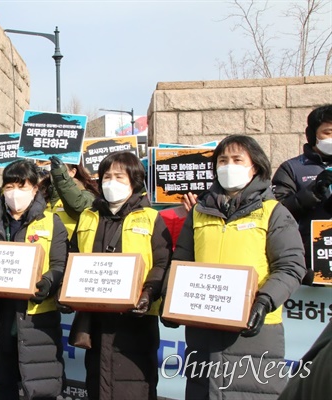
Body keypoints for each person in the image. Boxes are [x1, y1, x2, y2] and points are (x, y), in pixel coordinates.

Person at [164, 135, 306, 399]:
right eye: (222, 160)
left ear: (255, 167)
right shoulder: (199, 212)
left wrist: (264, 302)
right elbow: (181, 261)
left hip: (256, 331)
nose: (229, 166)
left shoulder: (273, 212)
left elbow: (291, 266)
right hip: (202, 329)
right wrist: (170, 300)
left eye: (237, 160)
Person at [68, 151, 173, 400]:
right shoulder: (88, 216)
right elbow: (74, 256)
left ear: (134, 181)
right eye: (106, 177)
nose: (111, 183)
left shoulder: (150, 218)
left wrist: (148, 293)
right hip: (95, 320)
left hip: (135, 320)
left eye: (119, 176)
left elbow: (162, 263)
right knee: (96, 383)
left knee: (135, 384)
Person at [0, 159, 69, 400]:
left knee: (39, 384)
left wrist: (46, 283)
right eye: (9, 186)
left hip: (34, 317)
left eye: (22, 186)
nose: (15, 193)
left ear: (35, 188)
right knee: (3, 381)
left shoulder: (52, 222)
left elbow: (60, 264)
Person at [272, 104, 332, 285]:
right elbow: (276, 212)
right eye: (328, 132)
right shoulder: (292, 168)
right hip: (310, 261)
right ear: (312, 135)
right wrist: (313, 192)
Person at [48, 156, 99, 239]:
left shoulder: (86, 195)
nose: (54, 171)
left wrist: (60, 176)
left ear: (73, 172)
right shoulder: (44, 195)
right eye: (53, 167)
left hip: (70, 248)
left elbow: (78, 205)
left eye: (60, 167)